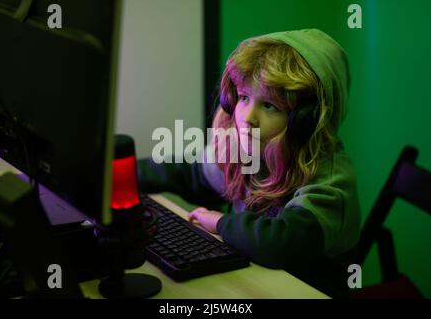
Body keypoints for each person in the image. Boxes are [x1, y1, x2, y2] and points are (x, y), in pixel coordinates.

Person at [138, 29, 361, 297]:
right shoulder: (250, 148)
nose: (248, 117)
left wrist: (220, 223)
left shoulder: (330, 181)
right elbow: (191, 173)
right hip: (259, 283)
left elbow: (281, 244)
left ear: (307, 121)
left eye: (269, 106)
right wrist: (120, 172)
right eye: (244, 98)